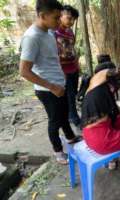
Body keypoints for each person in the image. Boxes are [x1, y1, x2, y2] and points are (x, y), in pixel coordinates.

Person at [19, 0, 81, 165]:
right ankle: (58, 151)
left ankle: (70, 137)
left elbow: (52, 60)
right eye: (56, 17)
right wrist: (52, 87)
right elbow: (24, 71)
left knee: (64, 114)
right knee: (55, 120)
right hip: (47, 90)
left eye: (60, 16)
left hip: (59, 83)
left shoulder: (49, 32)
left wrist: (62, 77)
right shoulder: (32, 37)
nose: (59, 20)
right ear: (42, 15)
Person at [55, 5, 81, 127]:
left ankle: (71, 114)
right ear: (60, 15)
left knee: (73, 93)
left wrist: (77, 63)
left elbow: (72, 48)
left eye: (73, 20)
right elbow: (54, 55)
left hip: (73, 68)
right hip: (63, 70)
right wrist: (60, 72)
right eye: (69, 18)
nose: (71, 22)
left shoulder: (70, 32)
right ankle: (74, 118)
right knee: (69, 95)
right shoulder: (54, 32)